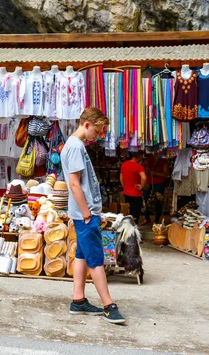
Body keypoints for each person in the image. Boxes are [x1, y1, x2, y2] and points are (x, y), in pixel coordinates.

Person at [60, 107, 126, 324]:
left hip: (82, 212)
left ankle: (78, 300)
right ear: (86, 124)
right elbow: (74, 184)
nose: (97, 136)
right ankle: (109, 305)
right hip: (84, 213)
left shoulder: (73, 145)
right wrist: (88, 213)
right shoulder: (76, 147)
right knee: (96, 259)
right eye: (97, 132)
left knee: (81, 254)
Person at [120, 151, 147, 223]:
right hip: (136, 193)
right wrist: (142, 186)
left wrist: (125, 187)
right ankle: (133, 230)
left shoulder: (124, 164)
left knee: (127, 212)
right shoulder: (138, 166)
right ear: (139, 157)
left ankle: (127, 229)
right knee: (135, 214)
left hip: (126, 192)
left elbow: (121, 179)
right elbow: (144, 177)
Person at [144, 154, 169, 224]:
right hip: (148, 183)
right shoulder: (149, 159)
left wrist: (156, 173)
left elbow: (166, 174)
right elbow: (142, 165)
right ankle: (146, 218)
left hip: (159, 183)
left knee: (158, 201)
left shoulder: (163, 160)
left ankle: (157, 219)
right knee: (145, 199)